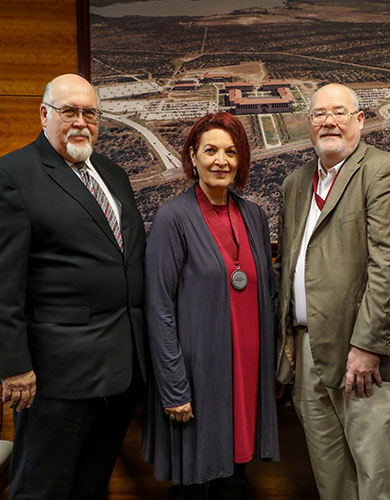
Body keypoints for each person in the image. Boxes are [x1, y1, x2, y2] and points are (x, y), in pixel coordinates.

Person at [0, 73, 147, 499]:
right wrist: (13, 365)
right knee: (43, 488)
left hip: (119, 369)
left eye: (90, 113)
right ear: (44, 114)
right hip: (55, 375)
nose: (80, 122)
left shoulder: (112, 174)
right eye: (69, 111)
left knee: (90, 486)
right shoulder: (11, 177)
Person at [275, 83, 390, 500]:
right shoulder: (296, 182)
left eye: (339, 112)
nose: (329, 122)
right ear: (308, 124)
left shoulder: (384, 171)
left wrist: (368, 345)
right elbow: (288, 266)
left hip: (367, 360)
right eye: (319, 114)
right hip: (307, 354)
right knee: (332, 482)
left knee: (377, 483)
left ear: (360, 120)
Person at [142, 112, 279, 499]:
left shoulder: (253, 215)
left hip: (246, 377)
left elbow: (265, 293)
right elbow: (159, 308)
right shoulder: (172, 218)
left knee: (234, 480)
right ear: (193, 155)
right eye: (211, 150)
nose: (222, 160)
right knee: (190, 482)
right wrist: (174, 388)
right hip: (196, 379)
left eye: (231, 152)